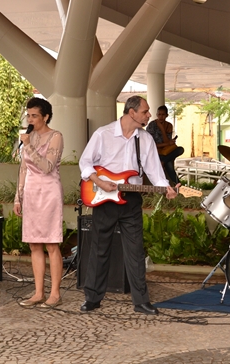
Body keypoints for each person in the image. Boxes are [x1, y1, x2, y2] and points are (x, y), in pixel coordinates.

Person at [79, 95, 178, 315]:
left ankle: (141, 301)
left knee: (135, 251)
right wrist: (99, 181)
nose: (149, 115)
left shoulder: (144, 139)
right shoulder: (103, 134)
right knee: (99, 249)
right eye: (145, 111)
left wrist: (166, 187)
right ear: (131, 113)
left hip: (131, 200)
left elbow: (154, 170)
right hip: (105, 198)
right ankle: (93, 298)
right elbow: (85, 162)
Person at [14, 97, 64, 308]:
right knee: (34, 243)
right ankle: (37, 293)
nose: (30, 119)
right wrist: (18, 197)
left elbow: (46, 167)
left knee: (51, 243)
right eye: (28, 115)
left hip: (49, 192)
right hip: (32, 193)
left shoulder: (56, 136)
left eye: (35, 115)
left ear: (46, 116)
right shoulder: (29, 136)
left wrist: (29, 146)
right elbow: (24, 169)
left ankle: (55, 294)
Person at [146, 105, 184, 185]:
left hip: (166, 152)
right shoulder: (152, 125)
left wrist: (162, 129)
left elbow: (167, 143)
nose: (161, 117)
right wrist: (167, 143)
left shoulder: (169, 125)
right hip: (155, 152)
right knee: (169, 164)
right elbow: (151, 145)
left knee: (180, 149)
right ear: (156, 115)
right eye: (159, 114)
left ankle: (163, 161)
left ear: (166, 115)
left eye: (163, 115)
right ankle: (178, 185)